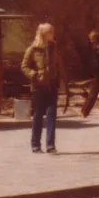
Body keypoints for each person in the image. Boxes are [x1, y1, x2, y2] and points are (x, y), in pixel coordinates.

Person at [21, 23, 66, 154]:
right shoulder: (33, 49)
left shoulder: (55, 48)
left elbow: (60, 66)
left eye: (53, 31)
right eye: (50, 32)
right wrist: (33, 75)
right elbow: (24, 66)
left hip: (52, 86)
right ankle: (35, 144)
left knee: (52, 115)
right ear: (43, 34)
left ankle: (50, 145)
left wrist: (63, 82)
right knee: (38, 116)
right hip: (39, 88)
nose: (53, 34)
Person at [80, 30, 99, 118]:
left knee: (97, 91)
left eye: (91, 38)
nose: (90, 40)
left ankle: (85, 111)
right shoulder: (92, 47)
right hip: (96, 72)